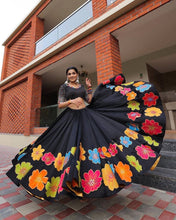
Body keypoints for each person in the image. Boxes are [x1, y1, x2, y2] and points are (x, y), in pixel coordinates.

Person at [6, 67, 166, 201]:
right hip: (69, 118)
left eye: (73, 73)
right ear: (67, 76)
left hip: (86, 116)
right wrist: (70, 102)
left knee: (88, 146)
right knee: (60, 146)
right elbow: (60, 104)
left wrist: (89, 88)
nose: (71, 76)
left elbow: (89, 100)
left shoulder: (81, 87)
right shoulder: (64, 87)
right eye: (69, 74)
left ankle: (82, 183)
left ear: (76, 75)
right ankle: (53, 180)